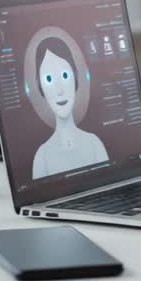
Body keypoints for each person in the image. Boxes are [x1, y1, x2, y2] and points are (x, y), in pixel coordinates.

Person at [31, 36, 108, 178]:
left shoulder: (94, 144)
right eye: (49, 79)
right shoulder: (43, 157)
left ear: (75, 78)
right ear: (40, 87)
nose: (59, 90)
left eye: (65, 75)